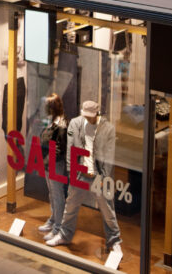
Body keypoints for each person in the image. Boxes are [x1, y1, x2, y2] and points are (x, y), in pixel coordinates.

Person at [46, 101, 121, 257]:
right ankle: (64, 235)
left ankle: (114, 241)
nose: (86, 118)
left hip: (98, 175)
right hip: (80, 172)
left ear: (97, 114)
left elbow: (109, 156)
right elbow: (71, 150)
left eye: (89, 116)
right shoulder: (75, 123)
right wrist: (70, 171)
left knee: (107, 210)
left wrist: (104, 177)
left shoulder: (108, 129)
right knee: (71, 205)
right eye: (84, 115)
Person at [37, 94, 67, 240]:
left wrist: (47, 161)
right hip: (49, 162)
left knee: (57, 194)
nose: (45, 108)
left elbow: (59, 148)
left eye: (47, 106)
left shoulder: (61, 125)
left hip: (55, 163)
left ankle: (58, 227)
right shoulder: (51, 121)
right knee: (52, 193)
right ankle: (53, 219)